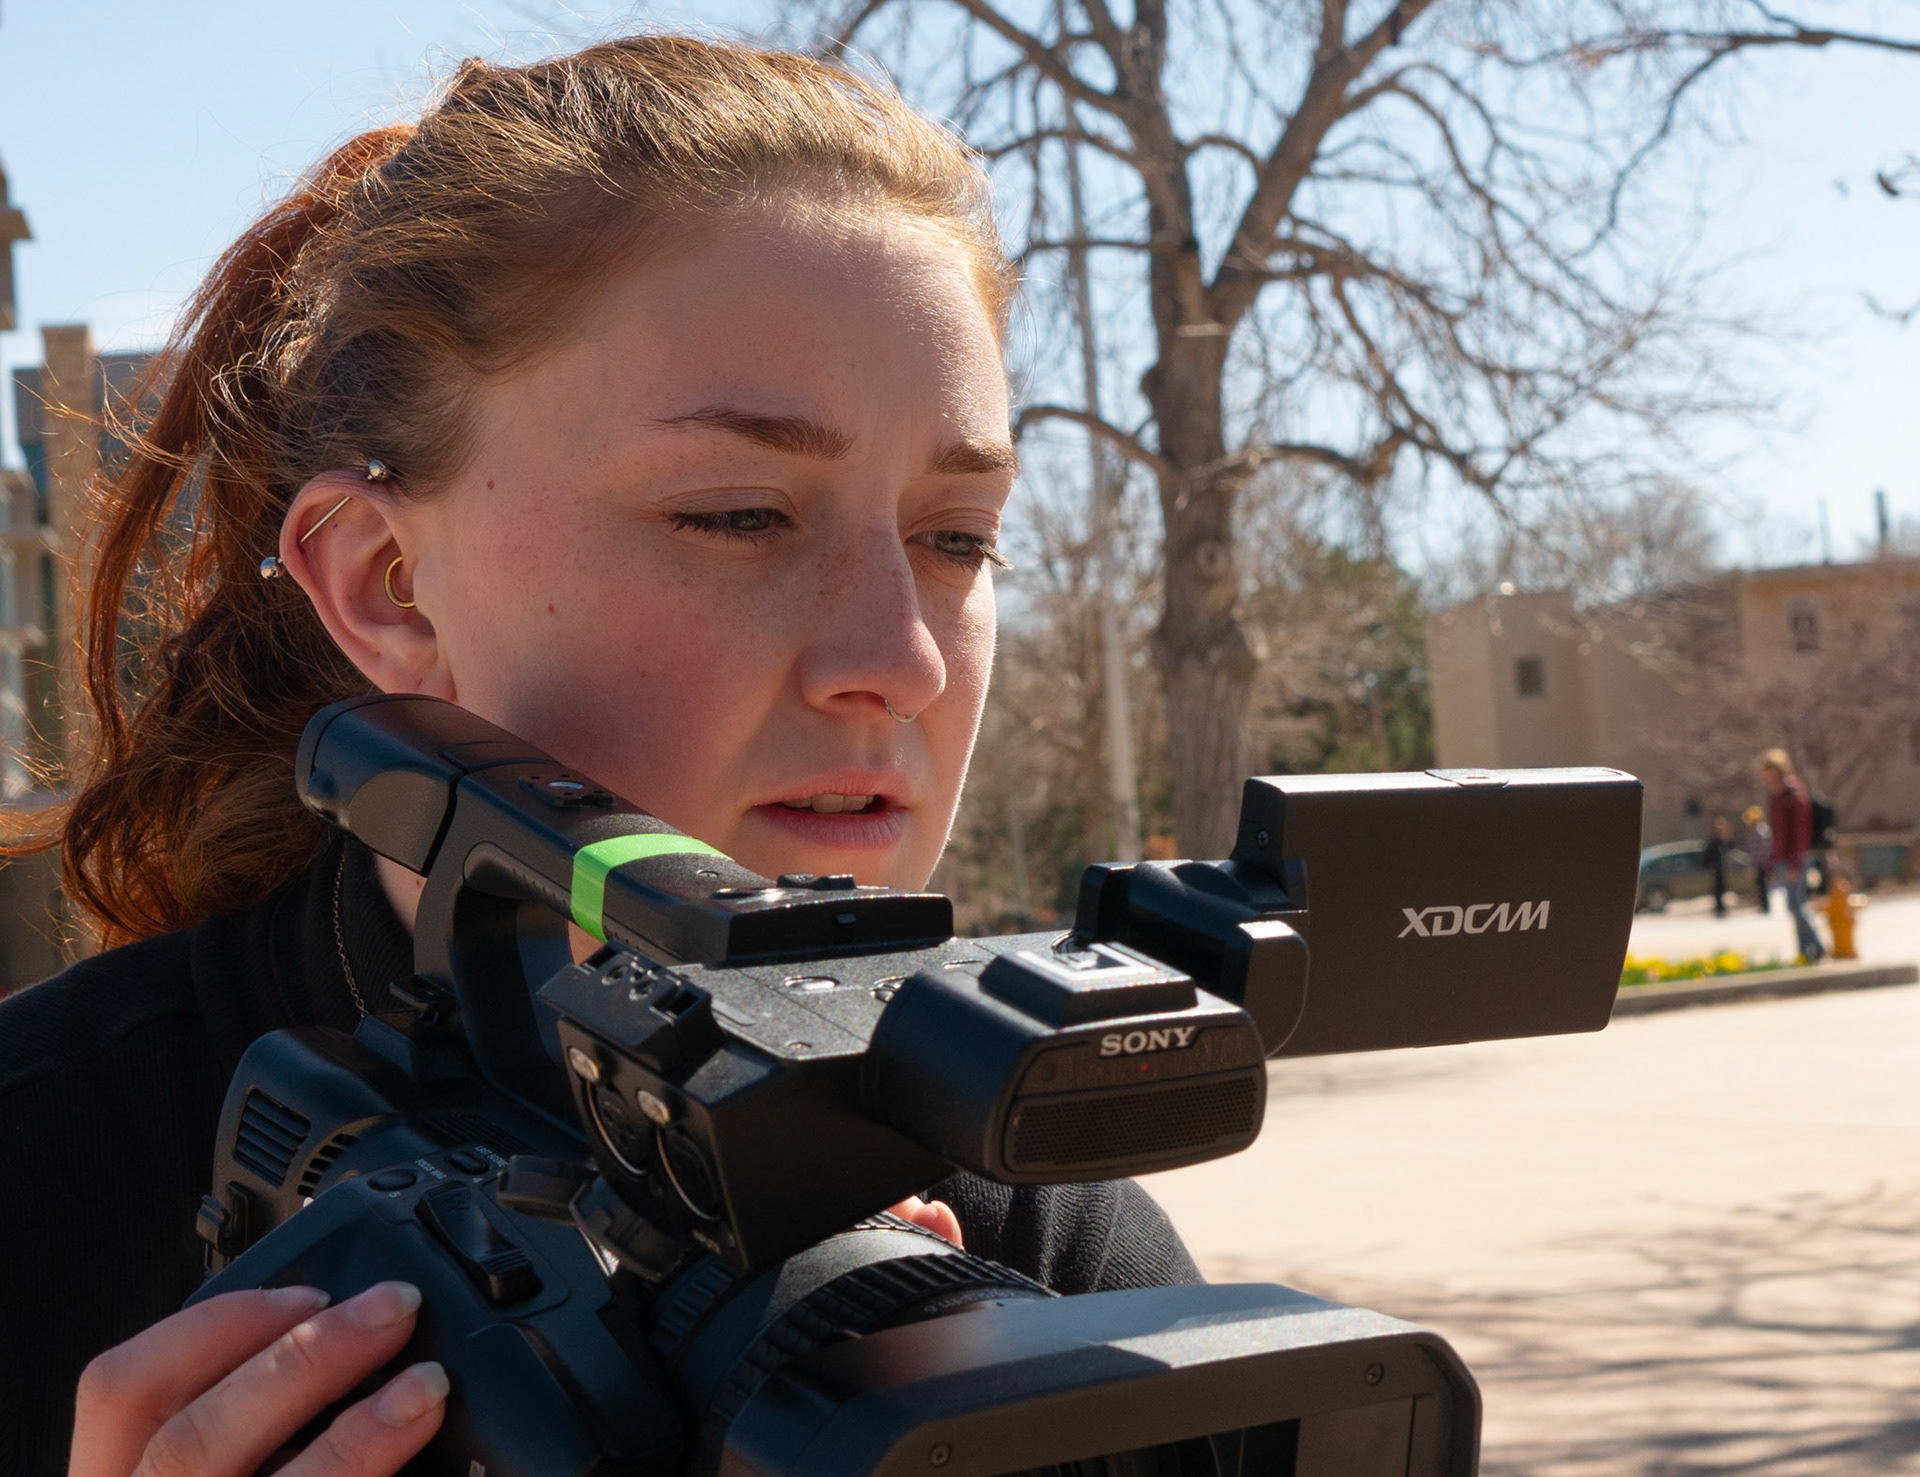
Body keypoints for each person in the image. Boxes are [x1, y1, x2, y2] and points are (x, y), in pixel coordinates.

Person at [0, 39, 1201, 1477]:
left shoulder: (1023, 1206)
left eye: (958, 537)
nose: (908, 657)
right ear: (384, 577)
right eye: (740, 514)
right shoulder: (43, 1177)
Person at [1758, 748, 1825, 964]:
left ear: (1778, 770)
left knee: (1797, 906)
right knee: (1793, 907)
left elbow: (1801, 833)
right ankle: (1806, 949)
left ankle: (1814, 947)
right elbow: (1776, 833)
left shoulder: (1794, 794)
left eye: (1768, 770)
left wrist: (1796, 862)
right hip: (1781, 859)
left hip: (1795, 859)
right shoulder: (1775, 796)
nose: (1765, 775)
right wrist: (1771, 862)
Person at [1742, 803, 1772, 913]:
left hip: (1761, 863)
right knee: (1759, 884)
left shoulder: (1760, 830)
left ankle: (1765, 905)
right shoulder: (1756, 830)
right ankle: (1763, 904)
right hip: (1759, 862)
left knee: (1762, 884)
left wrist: (1756, 863)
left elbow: (1762, 850)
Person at [1703, 815, 1733, 918]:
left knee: (1723, 889)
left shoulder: (1725, 842)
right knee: (1717, 890)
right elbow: (1706, 856)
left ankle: (1722, 908)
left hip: (1724, 869)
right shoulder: (1713, 843)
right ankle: (1719, 909)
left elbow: (1730, 853)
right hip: (1716, 869)